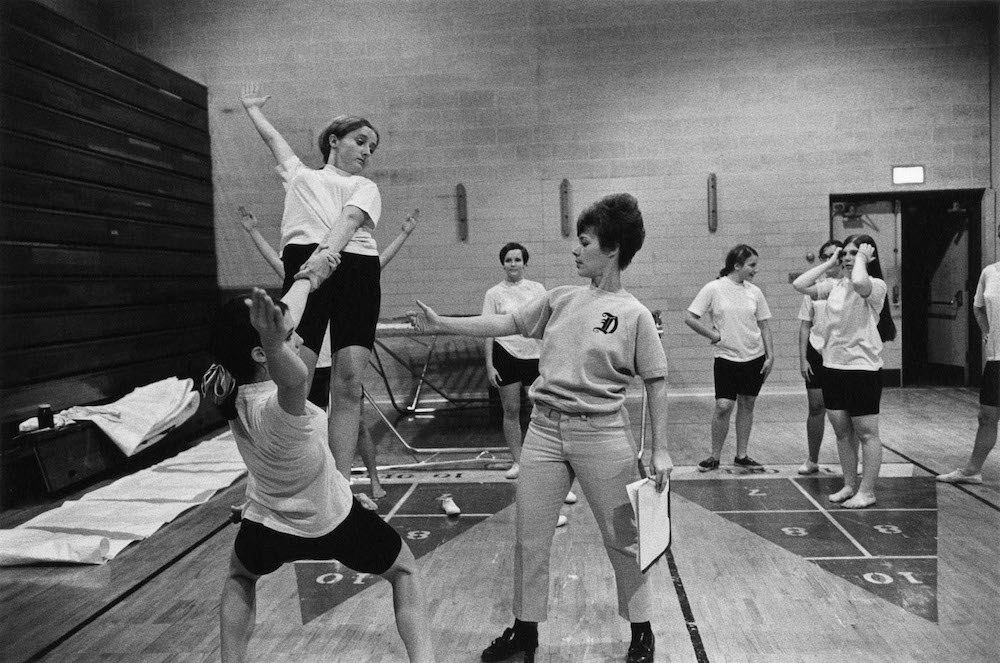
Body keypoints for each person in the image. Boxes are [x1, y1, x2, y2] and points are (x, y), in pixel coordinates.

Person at [413, 193, 671, 663]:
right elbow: (505, 321)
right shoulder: (558, 299)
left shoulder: (634, 314)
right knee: (529, 537)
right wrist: (441, 324)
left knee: (624, 540)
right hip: (545, 433)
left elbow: (656, 381)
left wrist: (660, 450)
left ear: (611, 249)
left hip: (605, 435)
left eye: (584, 241)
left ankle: (642, 632)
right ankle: (524, 633)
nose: (575, 249)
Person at [202, 281, 435, 663]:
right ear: (262, 352)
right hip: (332, 522)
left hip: (266, 526)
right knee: (405, 570)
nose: (297, 342)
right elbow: (293, 376)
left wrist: (307, 279)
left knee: (240, 577)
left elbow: (284, 327)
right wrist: (277, 344)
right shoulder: (278, 408)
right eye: (289, 337)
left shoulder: (234, 395)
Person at [241, 84, 386, 487]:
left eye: (372, 147)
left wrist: (325, 260)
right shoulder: (300, 176)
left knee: (349, 382)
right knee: (294, 380)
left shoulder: (365, 187)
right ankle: (293, 475)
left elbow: (350, 222)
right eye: (360, 141)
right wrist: (252, 109)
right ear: (334, 141)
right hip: (307, 264)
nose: (367, 152)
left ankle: (339, 486)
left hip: (353, 269)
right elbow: (273, 139)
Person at [236, 205, 419, 500]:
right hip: (309, 366)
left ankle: (367, 481)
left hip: (337, 364)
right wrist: (254, 231)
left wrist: (402, 235)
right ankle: (316, 489)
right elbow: (282, 268)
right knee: (306, 428)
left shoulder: (350, 278)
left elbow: (376, 265)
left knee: (356, 425)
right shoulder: (307, 280)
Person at [793, 234, 896, 509]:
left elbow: (861, 282)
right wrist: (830, 263)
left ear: (867, 257)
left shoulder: (875, 285)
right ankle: (850, 484)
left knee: (866, 432)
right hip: (833, 367)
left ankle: (868, 490)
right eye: (845, 254)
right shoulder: (835, 285)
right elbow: (800, 284)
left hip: (862, 369)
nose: (847, 258)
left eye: (853, 253)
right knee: (841, 430)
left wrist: (862, 259)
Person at [685, 244, 774, 472]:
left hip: (754, 357)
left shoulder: (755, 292)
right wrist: (713, 335)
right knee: (723, 406)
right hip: (726, 358)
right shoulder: (714, 288)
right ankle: (714, 455)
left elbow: (764, 325)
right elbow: (690, 317)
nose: (756, 270)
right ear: (737, 265)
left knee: (747, 403)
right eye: (752, 265)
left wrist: (770, 355)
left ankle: (741, 455)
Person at [482, 242, 545, 480]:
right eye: (508, 260)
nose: (513, 264)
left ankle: (538, 459)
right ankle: (517, 461)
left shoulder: (537, 289)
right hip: (505, 353)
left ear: (525, 263)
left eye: (517, 260)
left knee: (539, 411)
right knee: (511, 410)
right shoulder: (494, 293)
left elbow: (545, 324)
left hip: (534, 355)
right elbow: (487, 329)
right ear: (503, 264)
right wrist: (489, 365)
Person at [937, 261, 1000, 485]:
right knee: (986, 417)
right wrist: (987, 332)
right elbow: (978, 307)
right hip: (996, 358)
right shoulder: (989, 272)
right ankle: (972, 470)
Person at [797, 240, 844, 475]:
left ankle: (849, 459)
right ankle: (812, 459)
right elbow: (805, 326)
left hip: (840, 354)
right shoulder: (815, 288)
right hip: (815, 353)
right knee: (816, 407)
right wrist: (802, 358)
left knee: (843, 410)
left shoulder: (851, 286)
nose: (829, 261)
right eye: (824, 257)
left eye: (833, 256)